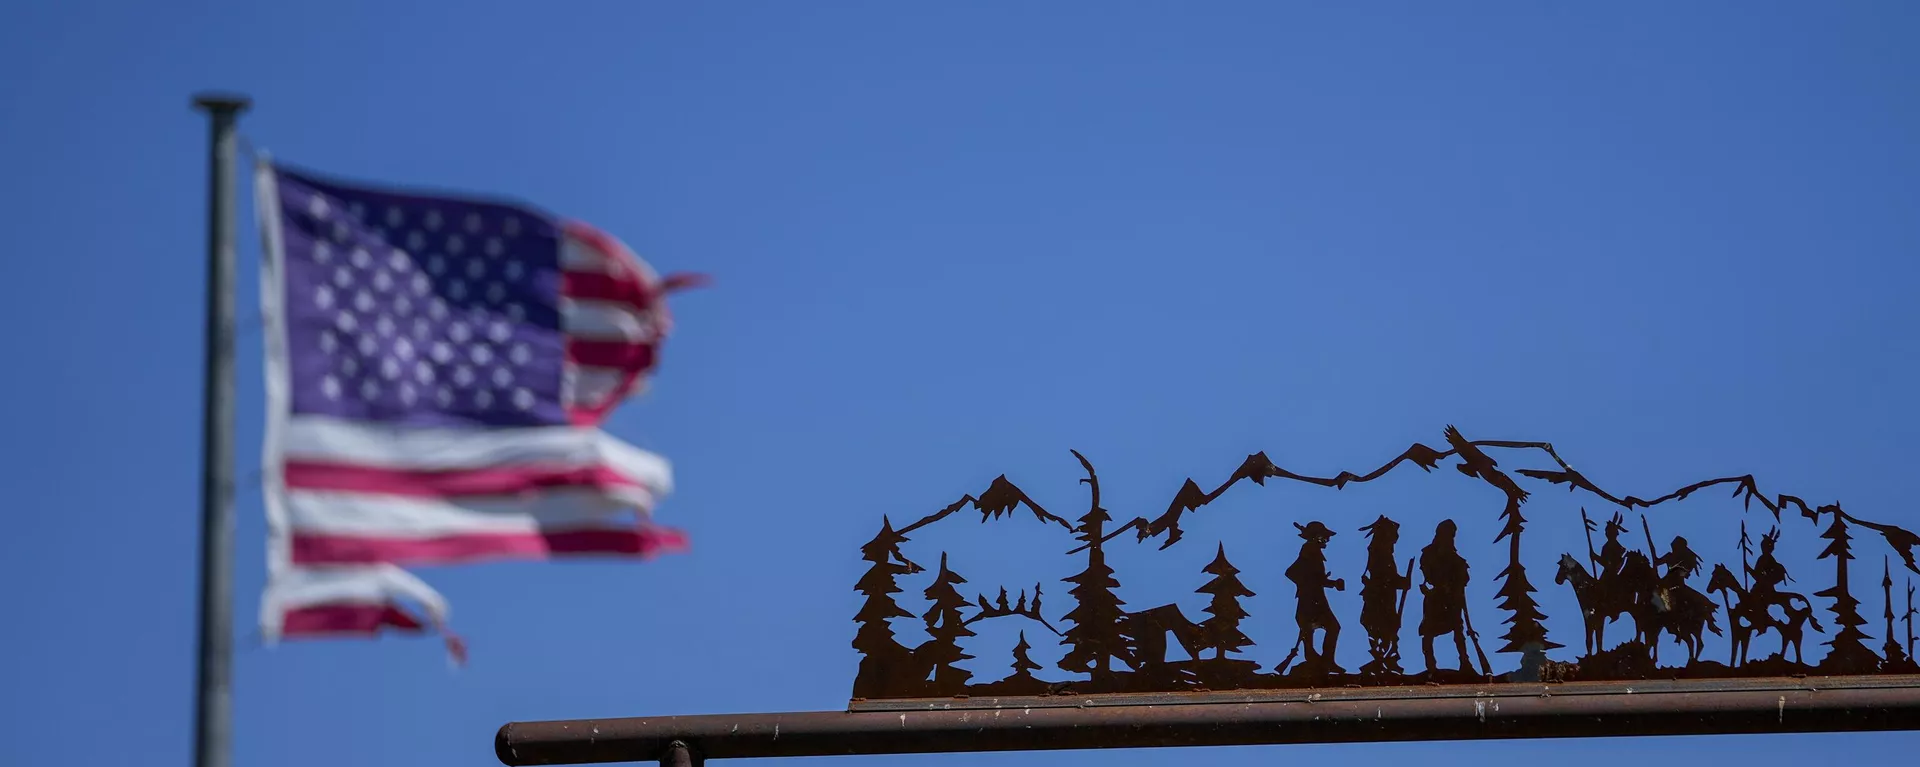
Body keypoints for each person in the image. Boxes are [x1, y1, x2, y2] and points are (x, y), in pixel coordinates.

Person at [1286, 521, 1345, 672]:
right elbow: (1292, 572)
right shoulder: (1309, 550)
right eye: (1324, 537)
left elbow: (1315, 577)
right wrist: (1311, 584)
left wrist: (1329, 583)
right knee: (1329, 627)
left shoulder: (1313, 552)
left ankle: (1325, 660)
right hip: (1311, 600)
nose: (1327, 540)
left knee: (1319, 628)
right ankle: (1321, 660)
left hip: (1315, 599)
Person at [1419, 519, 1474, 673]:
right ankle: (1430, 665)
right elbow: (1428, 573)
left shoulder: (1454, 557)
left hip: (1451, 600)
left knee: (1458, 629)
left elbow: (1464, 577)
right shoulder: (1429, 553)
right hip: (1435, 598)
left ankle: (1464, 661)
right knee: (1429, 631)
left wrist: (1455, 584)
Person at [1358, 515, 1410, 674]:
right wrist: (1401, 582)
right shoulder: (1380, 554)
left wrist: (1400, 582)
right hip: (1380, 600)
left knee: (1387, 630)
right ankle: (1383, 659)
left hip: (1383, 599)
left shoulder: (1382, 553)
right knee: (1385, 629)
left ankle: (1385, 659)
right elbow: (1384, 577)